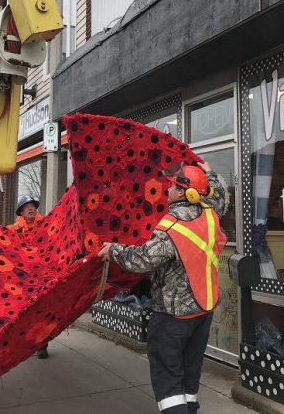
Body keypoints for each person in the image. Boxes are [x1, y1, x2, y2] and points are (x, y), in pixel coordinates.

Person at [97, 162, 227, 414]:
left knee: (168, 378)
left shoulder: (170, 227)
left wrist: (113, 249)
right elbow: (218, 195)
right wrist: (209, 173)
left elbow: (143, 259)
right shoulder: (211, 214)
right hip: (203, 311)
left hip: (172, 318)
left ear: (183, 193)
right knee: (190, 370)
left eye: (173, 186)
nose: (167, 189)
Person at [8, 194, 47, 358]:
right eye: (26, 206)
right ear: (21, 212)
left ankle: (42, 345)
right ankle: (27, 344)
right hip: (23, 279)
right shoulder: (12, 230)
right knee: (25, 313)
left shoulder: (46, 225)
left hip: (44, 275)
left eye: (32, 205)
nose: (31, 208)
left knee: (44, 311)